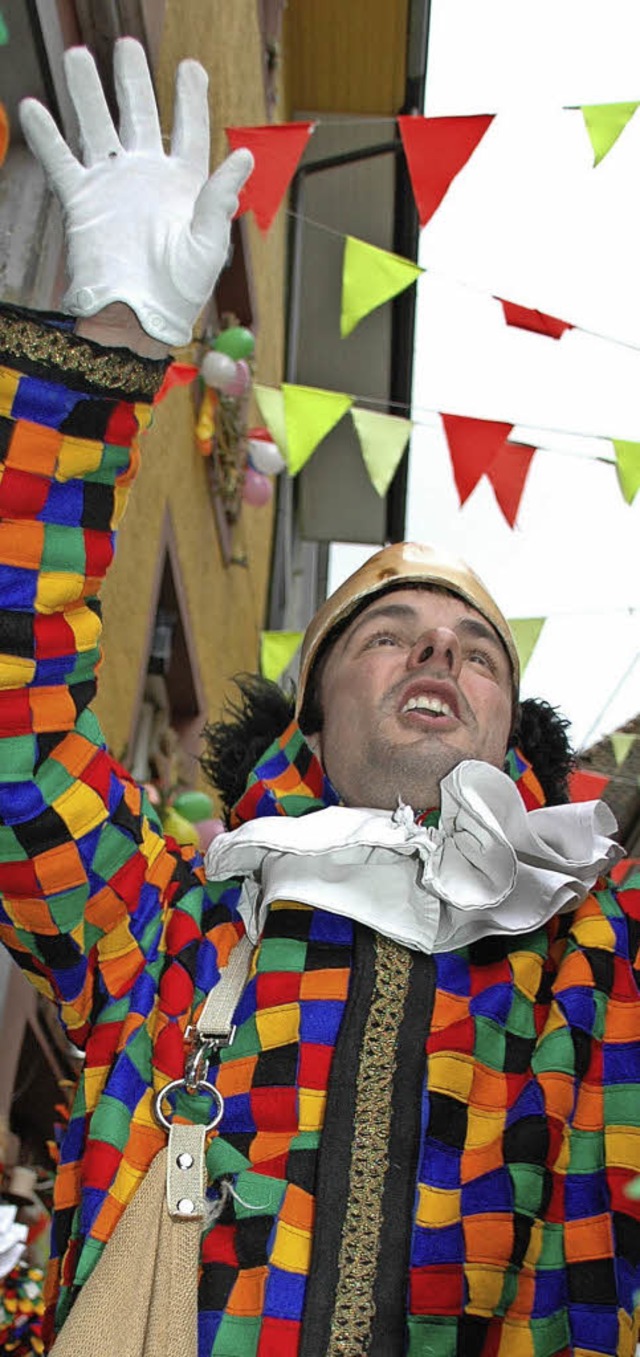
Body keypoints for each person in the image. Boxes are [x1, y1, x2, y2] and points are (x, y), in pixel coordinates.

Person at [0, 36, 638, 1357]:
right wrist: (104, 356)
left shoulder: (595, 950)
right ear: (314, 716)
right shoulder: (171, 908)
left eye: (473, 649)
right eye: (386, 635)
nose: (435, 657)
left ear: (505, 725)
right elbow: (18, 739)